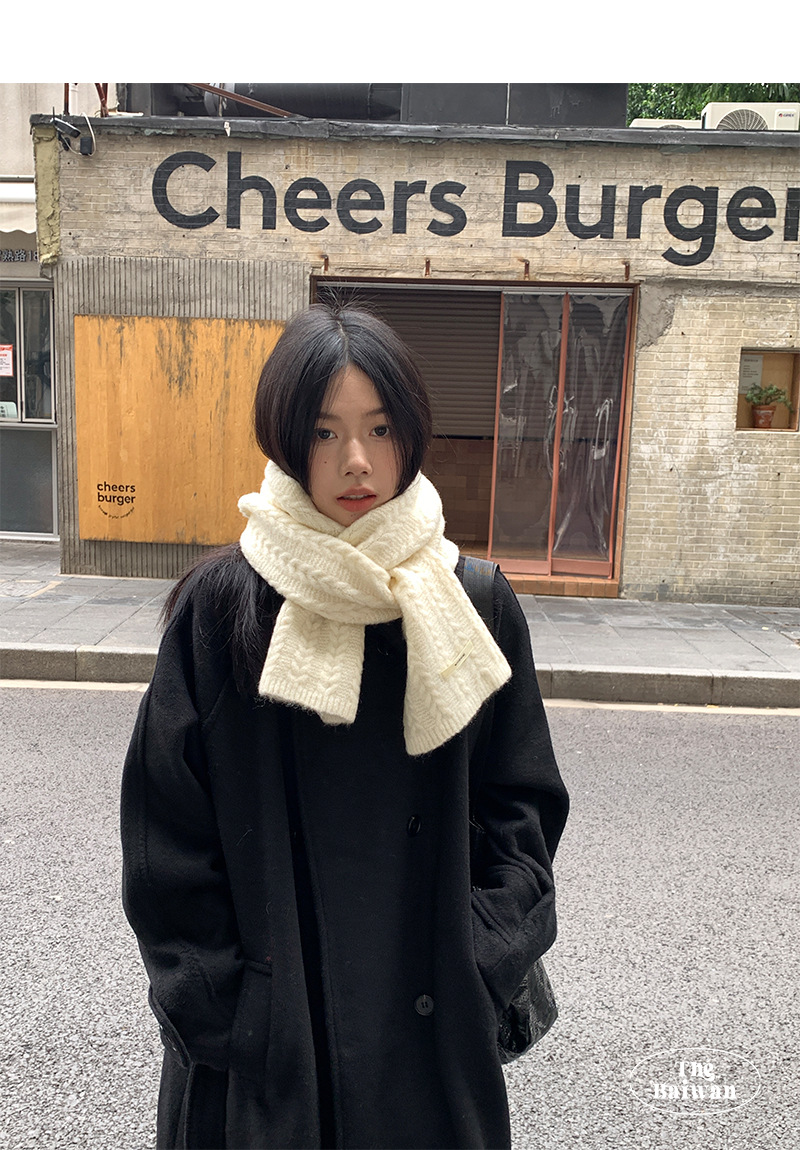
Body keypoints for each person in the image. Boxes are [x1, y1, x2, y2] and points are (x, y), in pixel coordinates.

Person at [120, 302, 569, 1150]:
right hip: (267, 1062)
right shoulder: (223, 609)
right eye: (324, 432)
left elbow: (524, 808)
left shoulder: (471, 602)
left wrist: (478, 956)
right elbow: (164, 834)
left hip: (427, 1043)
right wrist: (233, 1010)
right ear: (286, 441)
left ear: (413, 434)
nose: (356, 460)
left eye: (380, 428)